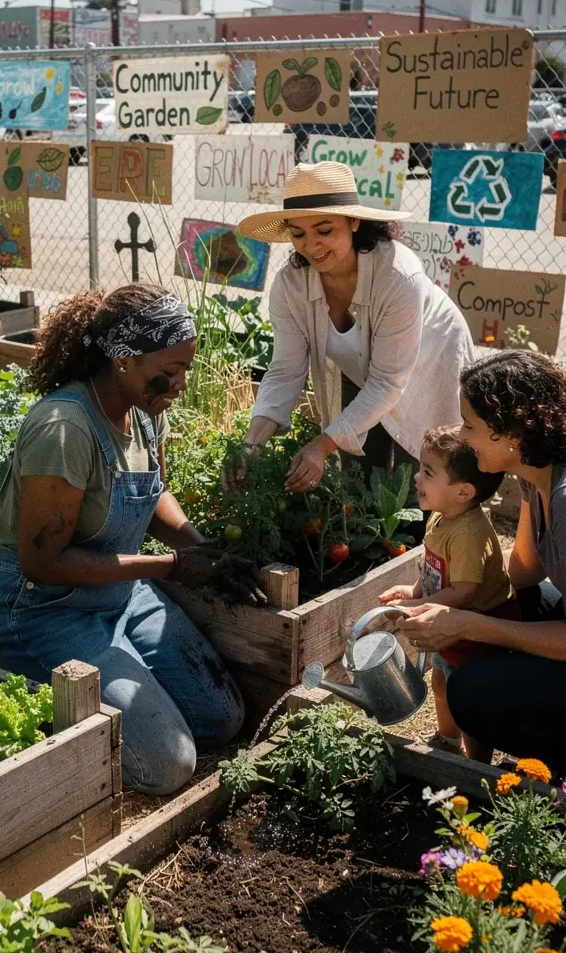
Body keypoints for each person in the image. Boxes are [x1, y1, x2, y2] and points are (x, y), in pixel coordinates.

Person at [0, 284, 259, 795]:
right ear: (124, 360)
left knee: (221, 717)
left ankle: (128, 687)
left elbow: (151, 495)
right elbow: (42, 562)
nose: (181, 383)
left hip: (119, 597)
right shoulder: (65, 428)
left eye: (187, 368)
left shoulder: (144, 410)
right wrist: (170, 568)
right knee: (170, 765)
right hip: (41, 611)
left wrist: (197, 548)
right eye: (171, 370)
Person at [228, 162, 475, 494]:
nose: (312, 245)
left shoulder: (398, 275)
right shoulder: (290, 285)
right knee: (358, 485)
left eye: (324, 230)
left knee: (419, 484)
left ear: (354, 221)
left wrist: (322, 445)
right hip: (359, 369)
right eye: (298, 234)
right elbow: (286, 369)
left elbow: (388, 381)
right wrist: (252, 444)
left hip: (431, 363)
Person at [402, 351, 566, 774]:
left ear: (510, 430)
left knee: (471, 692)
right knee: (523, 600)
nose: (463, 435)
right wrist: (443, 585)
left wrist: (470, 624)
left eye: (470, 424)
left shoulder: (565, 501)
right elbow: (525, 570)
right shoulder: (536, 477)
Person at [379, 426, 515, 759]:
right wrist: (412, 590)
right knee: (440, 680)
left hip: (476, 628)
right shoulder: (443, 517)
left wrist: (419, 604)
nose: (415, 478)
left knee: (469, 696)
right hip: (450, 621)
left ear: (463, 492)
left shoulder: (468, 533)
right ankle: (447, 739)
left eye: (428, 472)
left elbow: (465, 592)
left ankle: (476, 762)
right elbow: (435, 571)